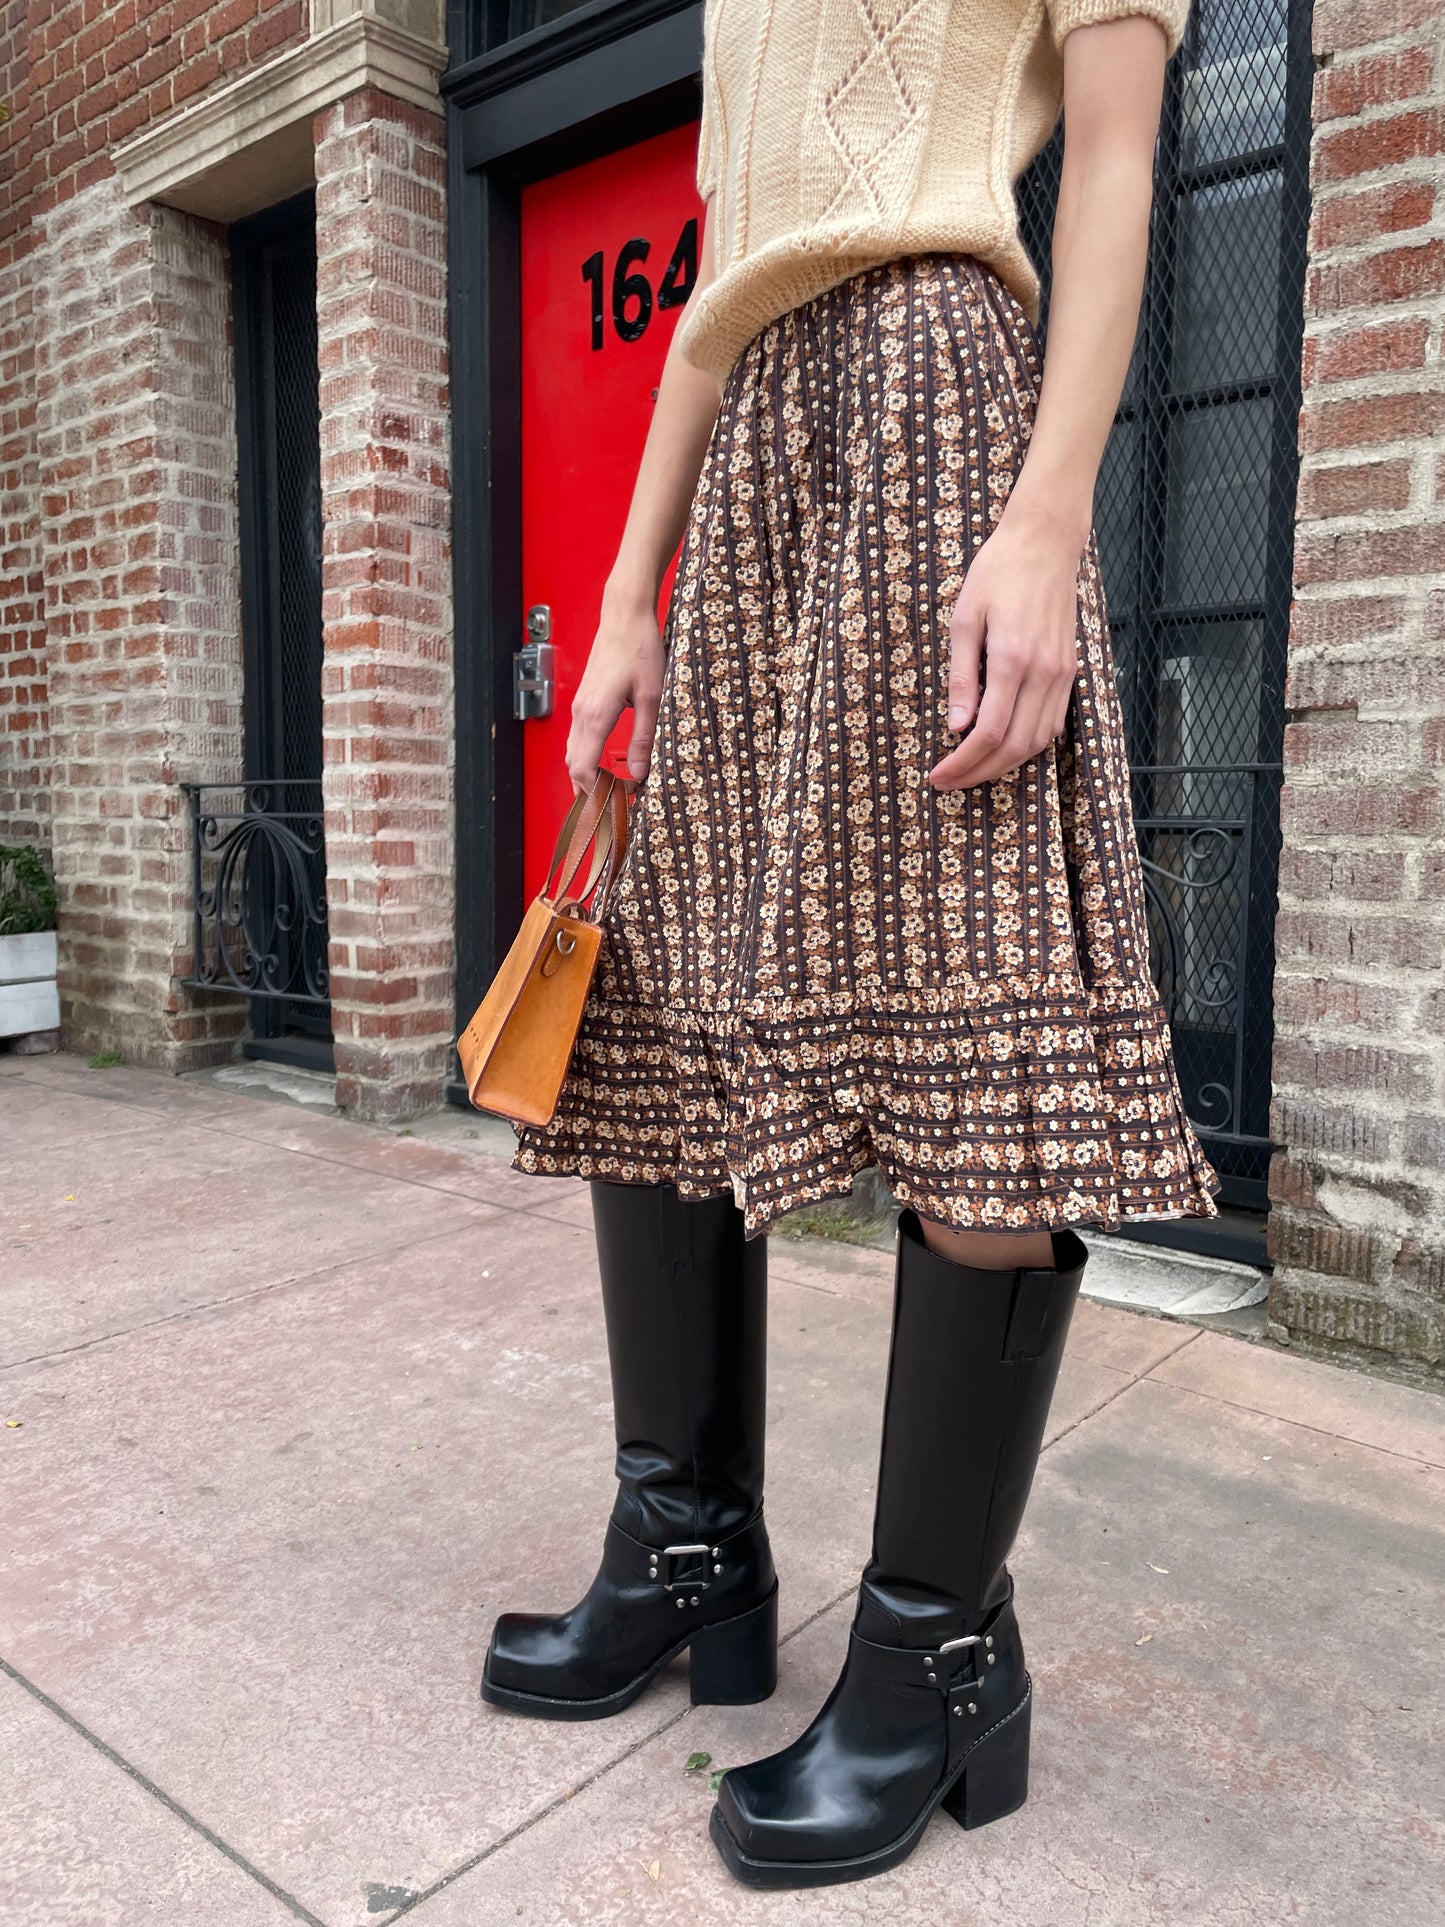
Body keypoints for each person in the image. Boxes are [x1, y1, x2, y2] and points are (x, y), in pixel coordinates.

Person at [484, 0, 1218, 1889]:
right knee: (655, 1010)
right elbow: (720, 280)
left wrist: (1045, 522)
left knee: (963, 997)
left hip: (931, 405)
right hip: (748, 462)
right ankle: (685, 1547)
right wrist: (630, 590)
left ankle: (934, 1652)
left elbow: (1120, 156)